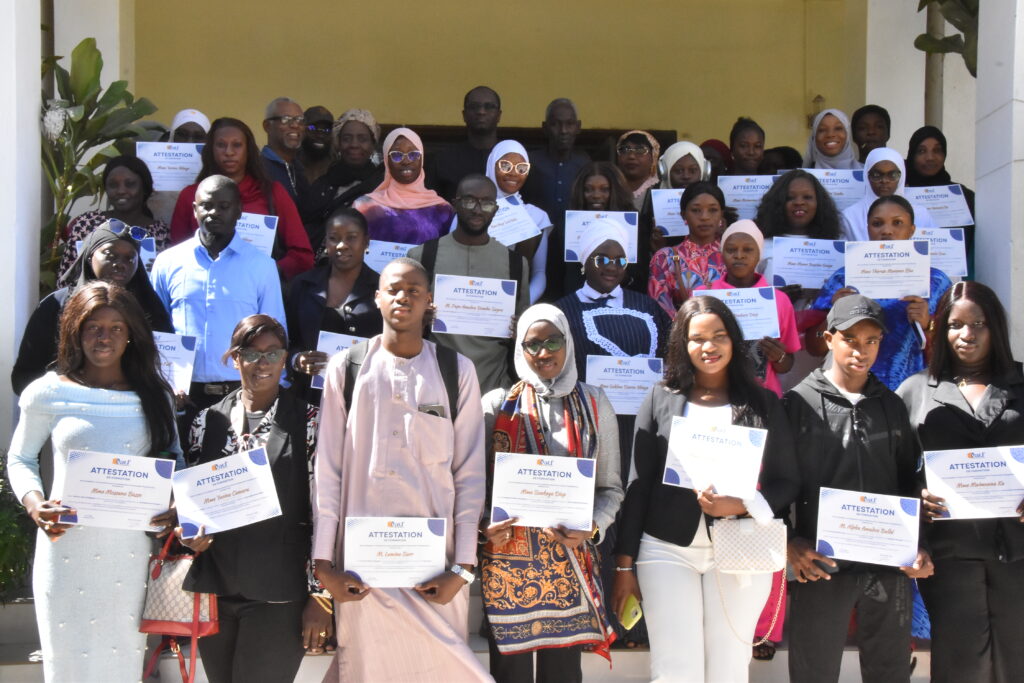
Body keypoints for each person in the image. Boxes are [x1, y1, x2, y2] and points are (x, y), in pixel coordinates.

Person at [312, 257, 491, 682]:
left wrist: (463, 568)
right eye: (393, 289)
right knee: (369, 668)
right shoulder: (347, 368)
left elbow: (469, 474)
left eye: (413, 291)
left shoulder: (456, 371)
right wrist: (323, 565)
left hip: (434, 570)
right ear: (377, 298)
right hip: (362, 569)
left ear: (429, 301)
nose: (402, 298)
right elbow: (328, 471)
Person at [613, 295, 799, 683]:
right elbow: (638, 485)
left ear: (734, 340)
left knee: (729, 667)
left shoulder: (763, 402)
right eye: (697, 338)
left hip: (740, 549)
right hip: (666, 549)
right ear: (682, 344)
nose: (709, 346)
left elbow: (787, 480)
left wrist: (744, 504)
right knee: (675, 669)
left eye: (719, 336)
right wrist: (624, 564)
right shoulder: (660, 397)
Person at [5, 281, 180, 683]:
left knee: (121, 664)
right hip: (65, 551)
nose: (104, 337)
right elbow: (20, 458)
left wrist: (172, 505)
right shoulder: (47, 392)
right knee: (66, 665)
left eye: (116, 328)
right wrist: (34, 503)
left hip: (130, 554)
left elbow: (174, 458)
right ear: (75, 331)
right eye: (93, 327)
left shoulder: (156, 395)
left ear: (131, 334)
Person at [784, 294, 933, 683]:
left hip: (887, 565)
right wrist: (790, 541)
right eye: (850, 339)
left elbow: (909, 481)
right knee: (814, 672)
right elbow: (778, 483)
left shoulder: (891, 405)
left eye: (871, 341)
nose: (861, 350)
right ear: (828, 339)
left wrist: (918, 545)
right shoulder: (797, 404)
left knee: (889, 672)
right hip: (820, 564)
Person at [175, 314, 329, 683]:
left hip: (279, 590)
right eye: (251, 354)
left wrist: (321, 597)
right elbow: (192, 500)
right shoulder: (206, 421)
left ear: (285, 359)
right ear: (235, 358)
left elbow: (325, 512)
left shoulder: (311, 421)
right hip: (216, 587)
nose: (263, 363)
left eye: (273, 354)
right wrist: (189, 534)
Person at [480, 303, 624, 681]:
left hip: (569, 562)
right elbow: (471, 485)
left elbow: (611, 488)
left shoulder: (595, 402)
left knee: (561, 675)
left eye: (552, 341)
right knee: (510, 675)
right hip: (508, 568)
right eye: (532, 344)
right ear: (520, 349)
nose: (543, 352)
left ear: (568, 342)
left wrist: (592, 527)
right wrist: (483, 525)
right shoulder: (496, 405)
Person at [897, 281, 1024, 683]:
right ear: (940, 329)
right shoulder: (915, 391)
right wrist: (915, 500)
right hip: (950, 555)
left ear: (995, 327)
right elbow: (894, 471)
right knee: (959, 665)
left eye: (978, 324)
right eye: (955, 325)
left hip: (1018, 550)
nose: (967, 334)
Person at [154, 175, 287, 412]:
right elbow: (155, 327)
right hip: (181, 396)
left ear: (239, 210)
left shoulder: (261, 266)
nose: (214, 212)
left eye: (224, 206)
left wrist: (275, 389)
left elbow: (275, 332)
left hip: (241, 394)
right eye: (207, 205)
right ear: (194, 209)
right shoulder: (167, 262)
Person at [809, 195, 952, 390]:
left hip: (912, 390)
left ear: (912, 230)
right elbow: (814, 347)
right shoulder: (843, 279)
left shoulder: (936, 282)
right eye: (877, 224)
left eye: (897, 223)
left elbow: (953, 351)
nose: (886, 230)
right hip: (852, 390)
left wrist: (928, 325)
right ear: (867, 229)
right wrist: (833, 314)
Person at [13, 221, 173, 395]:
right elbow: (24, 377)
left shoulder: (149, 308)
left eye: (129, 258)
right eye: (110, 255)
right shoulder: (55, 306)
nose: (120, 264)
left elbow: (168, 373)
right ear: (90, 256)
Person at [409, 174, 530, 393]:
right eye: (469, 201)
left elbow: (525, 335)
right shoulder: (423, 256)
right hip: (432, 384)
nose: (477, 210)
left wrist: (520, 330)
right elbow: (402, 324)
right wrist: (419, 319)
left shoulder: (515, 264)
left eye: (486, 203)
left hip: (493, 389)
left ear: (496, 209)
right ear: (455, 204)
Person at [169, 117, 314, 281]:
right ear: (210, 150)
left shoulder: (273, 193)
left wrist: (267, 270)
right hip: (203, 287)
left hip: (259, 289)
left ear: (248, 150)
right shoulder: (190, 195)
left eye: (237, 145)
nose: (229, 152)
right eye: (221, 145)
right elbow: (176, 254)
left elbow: (303, 256)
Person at [754, 169, 843, 391]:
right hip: (774, 344)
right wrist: (779, 299)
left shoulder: (835, 247)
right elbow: (749, 293)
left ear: (819, 203)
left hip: (818, 342)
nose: (799, 202)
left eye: (807, 197)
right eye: (790, 197)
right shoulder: (761, 245)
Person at [286, 207, 384, 400]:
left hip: (364, 400)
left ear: (366, 241)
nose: (342, 245)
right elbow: (286, 340)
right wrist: (297, 360)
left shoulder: (383, 289)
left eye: (351, 238)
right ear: (325, 242)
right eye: (334, 238)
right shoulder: (303, 285)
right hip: (307, 399)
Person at [695, 220, 800, 397]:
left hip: (763, 399)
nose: (739, 255)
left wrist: (778, 356)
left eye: (748, 250)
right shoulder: (704, 296)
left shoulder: (779, 301)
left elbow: (787, 364)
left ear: (759, 254)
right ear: (721, 255)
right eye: (731, 250)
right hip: (714, 396)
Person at [57, 155, 170, 284]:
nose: (121, 191)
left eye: (130, 184)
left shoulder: (160, 233)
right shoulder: (87, 224)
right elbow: (66, 278)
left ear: (144, 188)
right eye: (113, 185)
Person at [353, 127, 456, 246]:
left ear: (422, 159)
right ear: (386, 160)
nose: (406, 161)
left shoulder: (443, 210)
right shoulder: (364, 206)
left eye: (414, 154)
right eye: (397, 155)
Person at [552, 161, 637, 300]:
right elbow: (555, 275)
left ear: (615, 191)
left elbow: (638, 274)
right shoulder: (565, 226)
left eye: (604, 189)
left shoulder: (632, 224)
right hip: (574, 301)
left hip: (621, 301)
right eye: (588, 189)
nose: (596, 195)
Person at [648, 181, 734, 318]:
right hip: (682, 330)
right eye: (696, 210)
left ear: (721, 215)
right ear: (683, 215)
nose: (704, 217)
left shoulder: (735, 254)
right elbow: (659, 308)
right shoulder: (664, 258)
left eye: (712, 210)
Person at [304, 109, 385, 251]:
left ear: (372, 144)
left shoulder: (381, 187)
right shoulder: (322, 185)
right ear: (338, 143)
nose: (354, 144)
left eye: (362, 139)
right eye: (347, 139)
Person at [484, 140, 553, 302]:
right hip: (474, 302)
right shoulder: (470, 211)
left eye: (521, 168)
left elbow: (539, 273)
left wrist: (523, 305)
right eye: (505, 166)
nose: (513, 173)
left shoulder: (536, 217)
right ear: (492, 166)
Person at [904, 125, 977, 276]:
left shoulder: (964, 196)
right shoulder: (900, 195)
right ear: (912, 155)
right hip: (910, 274)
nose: (930, 157)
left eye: (937, 150)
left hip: (953, 278)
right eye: (922, 151)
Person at [841, 146, 936, 242]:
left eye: (893, 175)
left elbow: (935, 249)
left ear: (902, 176)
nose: (884, 180)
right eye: (876, 175)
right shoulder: (850, 216)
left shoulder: (921, 214)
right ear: (866, 175)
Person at [427, 85, 501, 201]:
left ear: (499, 115)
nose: (481, 112)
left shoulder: (513, 159)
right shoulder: (444, 160)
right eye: (474, 106)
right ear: (464, 115)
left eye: (489, 107)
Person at [521, 97, 590, 221]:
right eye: (555, 124)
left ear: (578, 127)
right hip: (537, 233)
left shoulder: (585, 165)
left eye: (569, 124)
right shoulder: (529, 162)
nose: (563, 130)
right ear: (545, 128)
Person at [641, 141, 710, 253]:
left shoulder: (712, 200)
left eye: (693, 171)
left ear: (704, 172)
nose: (686, 176)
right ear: (664, 172)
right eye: (678, 171)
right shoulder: (653, 204)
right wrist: (658, 246)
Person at [260, 97, 309, 208]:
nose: (295, 125)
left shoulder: (299, 169)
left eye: (300, 120)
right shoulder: (258, 169)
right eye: (286, 119)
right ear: (267, 126)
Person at [615, 130, 661, 210]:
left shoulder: (662, 188)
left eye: (640, 150)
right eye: (624, 150)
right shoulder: (609, 187)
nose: (631, 156)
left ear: (653, 157)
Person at [298, 105, 335, 186]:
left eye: (327, 130)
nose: (320, 135)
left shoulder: (337, 166)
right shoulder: (290, 164)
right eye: (313, 128)